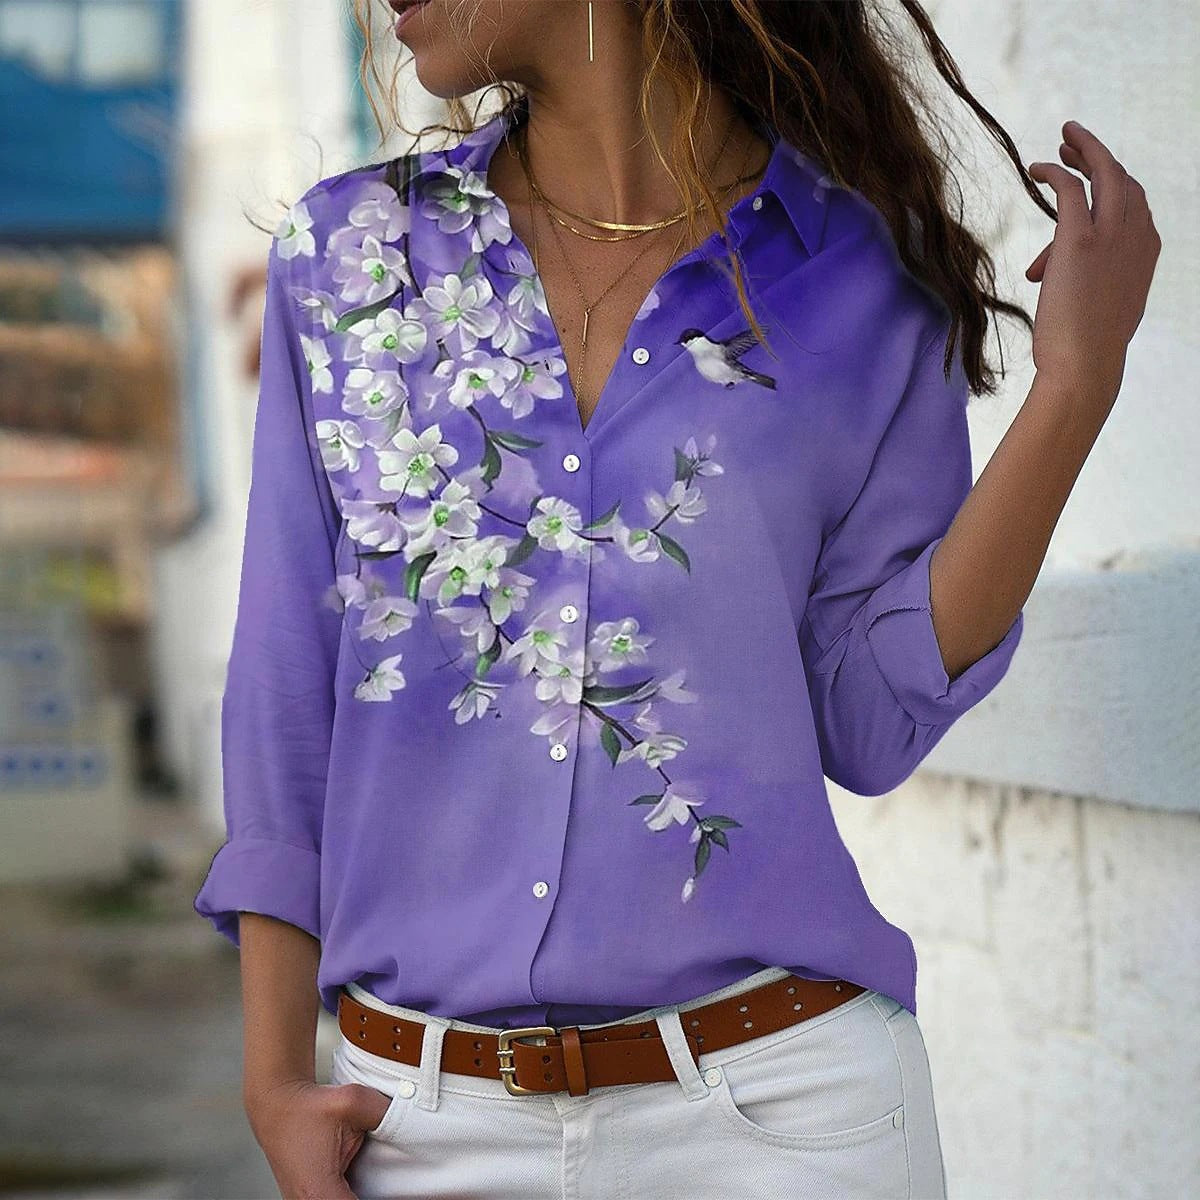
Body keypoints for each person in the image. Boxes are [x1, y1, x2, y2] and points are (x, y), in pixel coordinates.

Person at [192, 2, 1160, 1197]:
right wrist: (273, 1073)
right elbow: (287, 679)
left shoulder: (860, 276)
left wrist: (1073, 391)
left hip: (781, 1119)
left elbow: (865, 718)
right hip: (417, 1129)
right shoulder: (353, 255)